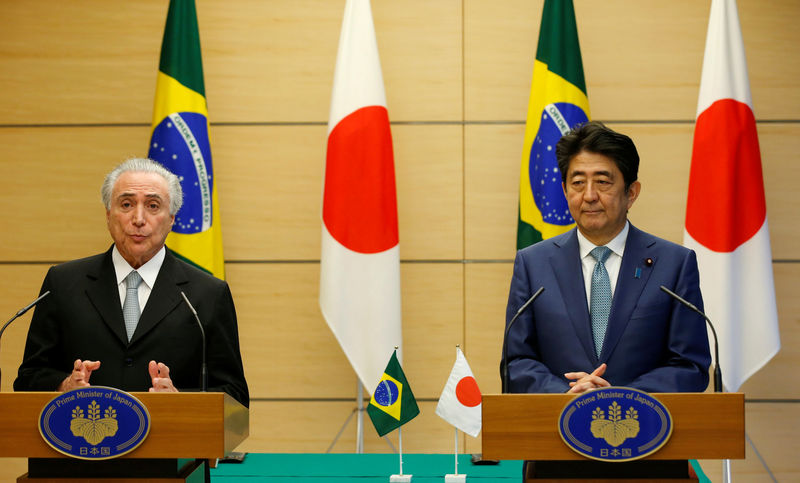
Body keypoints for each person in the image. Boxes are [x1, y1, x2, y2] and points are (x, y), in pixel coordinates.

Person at [14, 158, 249, 407]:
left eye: (153, 206)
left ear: (171, 219)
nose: (138, 218)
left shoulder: (208, 294)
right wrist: (65, 386)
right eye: (126, 204)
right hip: (85, 440)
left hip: (170, 441)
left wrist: (180, 400)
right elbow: (28, 378)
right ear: (108, 215)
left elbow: (235, 394)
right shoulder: (63, 283)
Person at [503, 121, 710, 394]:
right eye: (577, 183)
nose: (589, 196)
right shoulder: (533, 264)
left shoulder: (673, 264)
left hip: (647, 427)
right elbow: (516, 362)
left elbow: (690, 366)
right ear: (565, 191)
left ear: (631, 193)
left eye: (602, 182)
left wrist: (620, 395)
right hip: (555, 425)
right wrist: (567, 394)